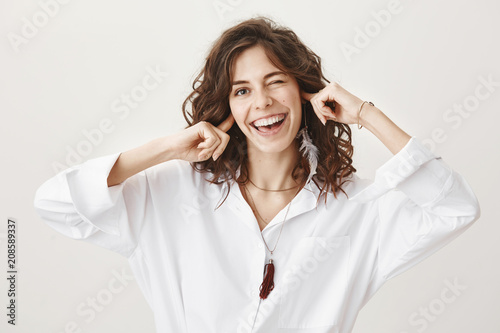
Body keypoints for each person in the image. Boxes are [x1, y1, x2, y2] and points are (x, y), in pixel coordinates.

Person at [34, 16, 480, 333]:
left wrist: (364, 113)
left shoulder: (357, 207)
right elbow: (56, 203)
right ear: (227, 107)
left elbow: (456, 208)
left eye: (276, 81)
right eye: (242, 91)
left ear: (305, 92)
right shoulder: (170, 194)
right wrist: (171, 147)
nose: (262, 102)